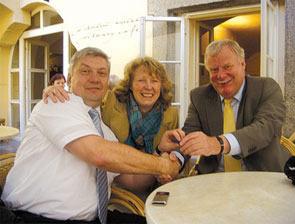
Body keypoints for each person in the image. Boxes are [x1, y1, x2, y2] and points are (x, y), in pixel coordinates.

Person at [1, 47, 181, 224]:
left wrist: (159, 151)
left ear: (108, 83)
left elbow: (133, 181)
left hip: (94, 218)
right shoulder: (56, 103)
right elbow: (100, 154)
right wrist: (162, 165)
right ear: (70, 78)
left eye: (102, 73)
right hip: (35, 217)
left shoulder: (105, 132)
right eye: (85, 71)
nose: (94, 78)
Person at [42, 56, 184, 196]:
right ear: (130, 85)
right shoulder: (111, 101)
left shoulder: (170, 113)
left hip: (153, 186)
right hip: (116, 187)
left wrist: (164, 158)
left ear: (161, 85)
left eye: (154, 81)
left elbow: (169, 152)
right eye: (141, 80)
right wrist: (58, 92)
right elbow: (87, 96)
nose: (148, 87)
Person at [177, 39, 290, 174]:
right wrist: (174, 160)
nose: (220, 75)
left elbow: (265, 128)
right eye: (214, 69)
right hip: (214, 182)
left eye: (227, 67)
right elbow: (189, 135)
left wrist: (217, 144)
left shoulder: (267, 87)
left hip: (263, 178)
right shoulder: (199, 96)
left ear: (242, 64)